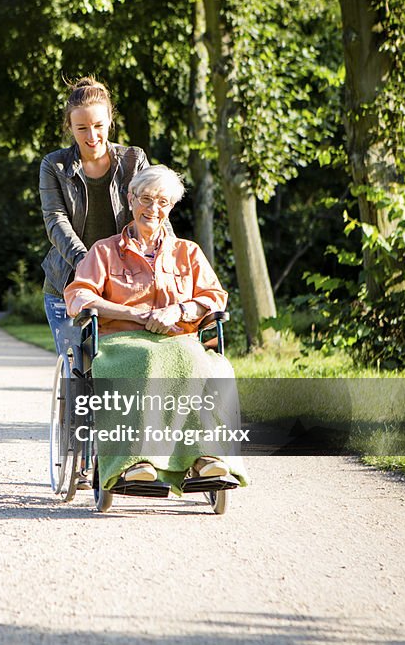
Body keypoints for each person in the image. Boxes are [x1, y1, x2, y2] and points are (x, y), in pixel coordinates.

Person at [63, 165, 248, 492]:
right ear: (130, 199)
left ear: (171, 206)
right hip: (121, 341)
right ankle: (136, 461)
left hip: (178, 338)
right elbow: (79, 295)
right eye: (146, 199)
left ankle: (205, 457)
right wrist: (133, 315)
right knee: (145, 363)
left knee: (202, 363)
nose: (153, 209)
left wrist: (180, 310)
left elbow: (214, 297)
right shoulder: (104, 251)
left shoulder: (187, 252)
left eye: (162, 202)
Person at [39, 76, 150, 355]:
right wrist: (88, 264)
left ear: (110, 120)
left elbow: (154, 215)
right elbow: (55, 221)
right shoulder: (55, 165)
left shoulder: (134, 161)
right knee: (79, 369)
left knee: (123, 367)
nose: (92, 136)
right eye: (82, 128)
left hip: (125, 284)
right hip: (68, 283)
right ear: (70, 127)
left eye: (99, 126)